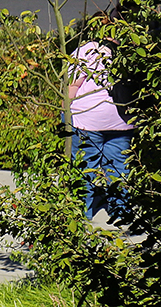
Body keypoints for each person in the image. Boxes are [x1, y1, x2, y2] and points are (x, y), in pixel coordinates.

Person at [67, 18, 133, 220]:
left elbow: (72, 88)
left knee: (85, 168)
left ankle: (81, 213)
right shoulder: (131, 53)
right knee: (119, 167)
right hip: (122, 120)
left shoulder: (85, 52)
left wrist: (65, 115)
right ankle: (121, 213)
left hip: (88, 120)